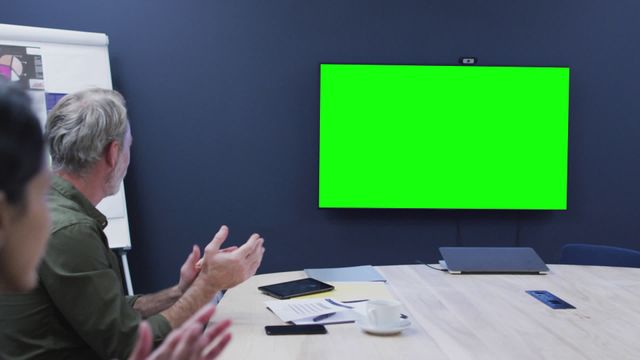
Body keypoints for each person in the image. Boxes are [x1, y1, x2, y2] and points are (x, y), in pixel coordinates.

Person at [0, 86, 265, 359]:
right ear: (113, 153)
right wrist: (208, 285)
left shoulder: (57, 212)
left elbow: (105, 314)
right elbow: (125, 346)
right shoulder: (71, 230)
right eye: (129, 147)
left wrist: (181, 291)